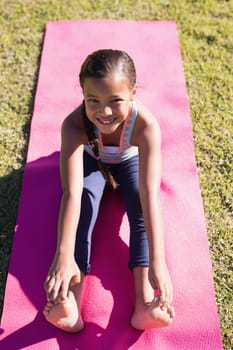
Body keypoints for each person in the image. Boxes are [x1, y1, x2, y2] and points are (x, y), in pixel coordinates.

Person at [43, 49, 175, 332]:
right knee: (87, 205)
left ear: (133, 93)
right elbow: (72, 194)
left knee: (139, 208)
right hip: (92, 159)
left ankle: (144, 303)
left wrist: (158, 261)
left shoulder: (146, 125)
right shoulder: (74, 125)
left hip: (129, 160)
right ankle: (70, 302)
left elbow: (151, 195)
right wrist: (63, 254)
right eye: (94, 101)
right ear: (83, 95)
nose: (104, 111)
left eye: (115, 101)